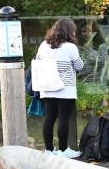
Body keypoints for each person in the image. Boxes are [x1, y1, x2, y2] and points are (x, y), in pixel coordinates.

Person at [36, 18, 84, 158]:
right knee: (63, 119)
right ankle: (63, 151)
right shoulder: (70, 47)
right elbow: (79, 66)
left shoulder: (44, 45)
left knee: (49, 118)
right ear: (69, 31)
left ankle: (49, 150)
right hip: (65, 89)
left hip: (47, 86)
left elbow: (38, 63)